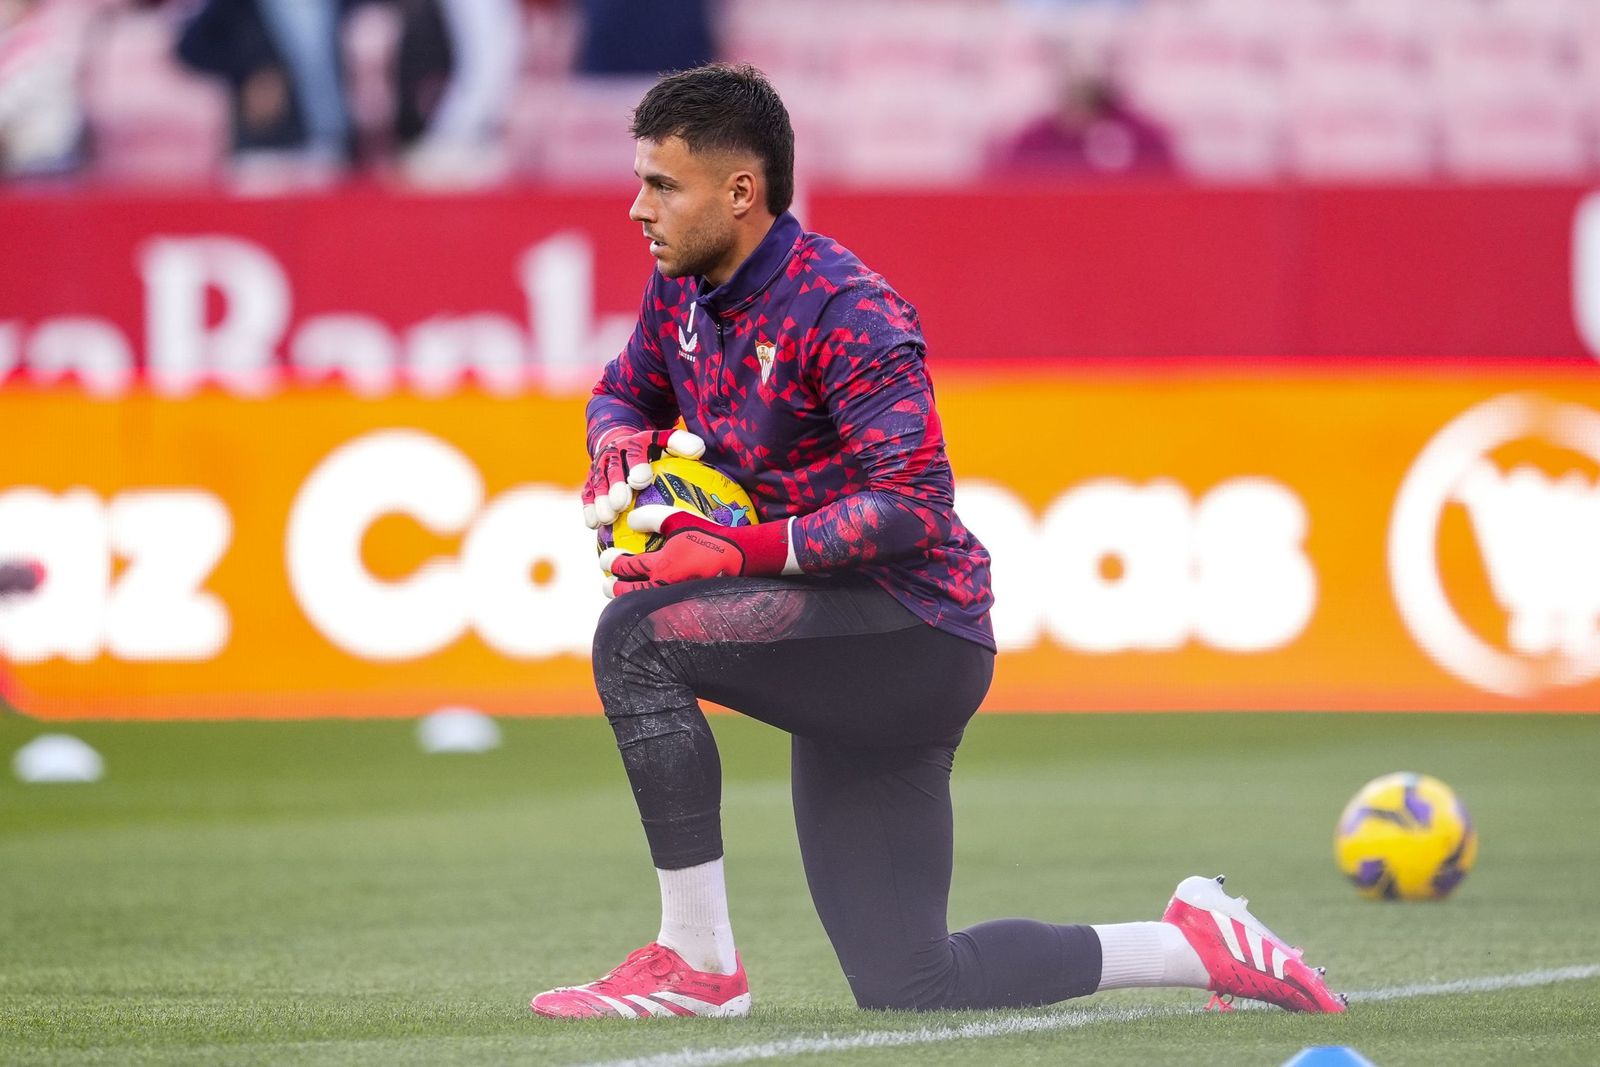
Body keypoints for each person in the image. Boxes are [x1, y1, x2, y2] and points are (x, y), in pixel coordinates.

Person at [531, 63, 1345, 1019]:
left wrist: (736, 550)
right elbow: (624, 387)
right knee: (912, 982)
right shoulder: (683, 288)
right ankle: (1191, 943)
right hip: (843, 636)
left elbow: (912, 504)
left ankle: (696, 963)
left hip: (912, 628)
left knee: (636, 638)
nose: (637, 207)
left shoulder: (846, 308)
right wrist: (613, 439)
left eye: (661, 184)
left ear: (740, 191)